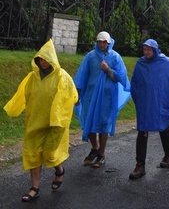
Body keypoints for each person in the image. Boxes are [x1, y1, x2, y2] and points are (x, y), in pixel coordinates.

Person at [3, 39, 78, 203]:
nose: (42, 62)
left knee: (50, 154)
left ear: (52, 59)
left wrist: (59, 118)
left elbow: (70, 96)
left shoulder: (61, 76)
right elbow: (21, 94)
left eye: (45, 59)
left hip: (53, 124)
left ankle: (59, 170)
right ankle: (34, 188)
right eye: (40, 59)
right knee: (33, 153)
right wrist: (13, 108)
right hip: (35, 122)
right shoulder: (32, 77)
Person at [129, 38, 169, 179]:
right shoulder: (141, 63)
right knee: (142, 131)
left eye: (149, 49)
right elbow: (135, 83)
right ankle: (140, 165)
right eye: (144, 49)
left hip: (161, 103)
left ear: (155, 50)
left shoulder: (165, 62)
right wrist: (138, 99)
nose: (146, 52)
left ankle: (168, 155)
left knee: (164, 128)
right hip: (145, 104)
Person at [74, 31, 130, 168]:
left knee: (104, 123)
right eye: (99, 41)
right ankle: (95, 148)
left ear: (109, 42)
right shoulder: (90, 57)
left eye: (104, 42)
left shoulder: (115, 57)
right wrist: (78, 95)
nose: (102, 44)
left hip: (107, 96)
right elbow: (82, 76)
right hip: (90, 95)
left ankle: (101, 154)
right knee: (89, 120)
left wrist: (108, 70)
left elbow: (121, 77)